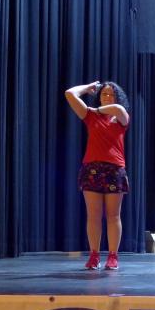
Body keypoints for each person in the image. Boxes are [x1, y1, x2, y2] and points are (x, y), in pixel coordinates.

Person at [64, 80, 130, 270]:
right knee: (93, 215)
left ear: (117, 97)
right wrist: (87, 88)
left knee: (113, 215)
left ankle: (113, 256)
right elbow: (70, 93)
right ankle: (94, 255)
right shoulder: (91, 116)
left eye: (111, 94)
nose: (107, 97)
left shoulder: (120, 117)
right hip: (92, 168)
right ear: (99, 97)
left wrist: (94, 109)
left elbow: (118, 109)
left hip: (114, 169)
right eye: (104, 94)